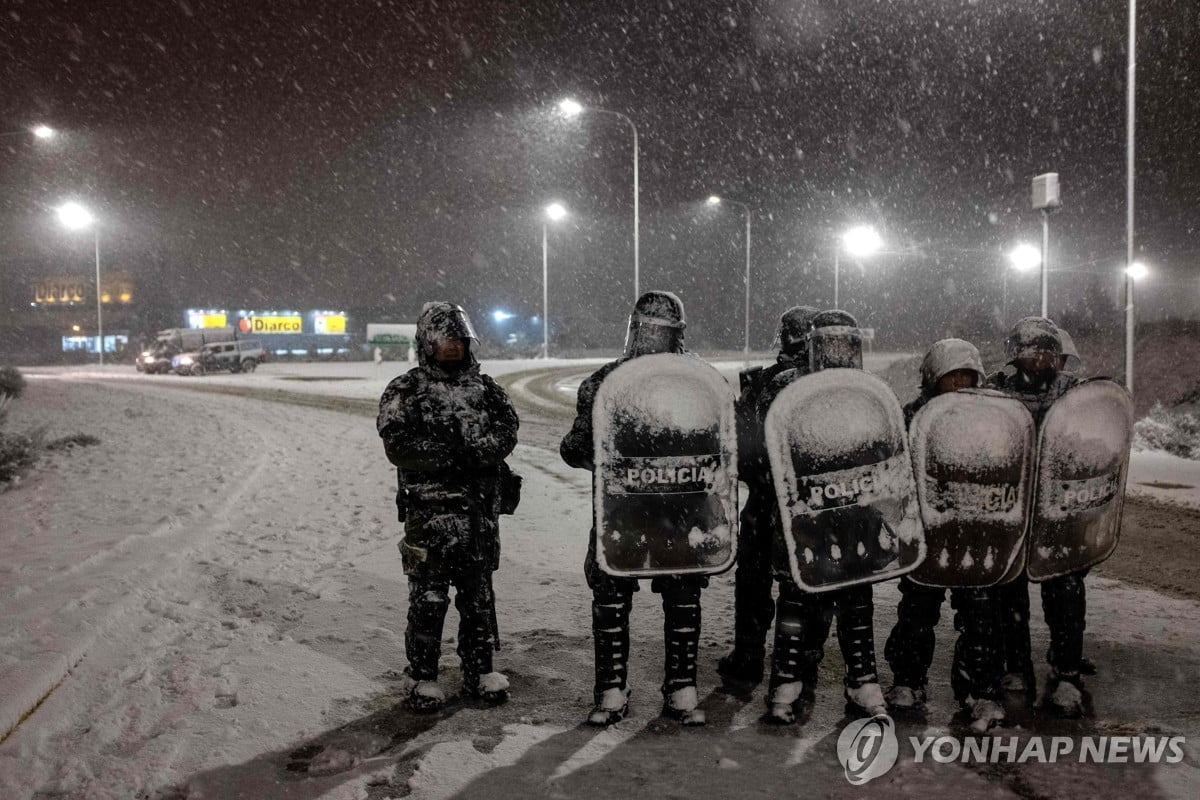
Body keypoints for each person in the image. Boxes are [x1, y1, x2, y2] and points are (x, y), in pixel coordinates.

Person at [560, 290, 709, 726]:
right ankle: (645, 688)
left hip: (650, 516)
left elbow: (577, 447)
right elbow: (578, 447)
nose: (651, 342)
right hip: (651, 515)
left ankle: (649, 688)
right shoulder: (697, 382)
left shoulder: (607, 380)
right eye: (649, 333)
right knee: (638, 600)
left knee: (650, 602)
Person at [376, 302, 519, 712]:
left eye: (458, 340)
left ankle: (480, 671)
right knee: (429, 599)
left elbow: (507, 431)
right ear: (427, 343)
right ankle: (422, 677)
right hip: (430, 515)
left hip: (477, 517)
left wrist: (478, 454)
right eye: (444, 340)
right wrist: (450, 458)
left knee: (478, 599)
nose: (452, 347)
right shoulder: (405, 389)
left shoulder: (487, 389)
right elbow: (398, 445)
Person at [761, 310, 888, 724]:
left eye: (844, 344)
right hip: (803, 513)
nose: (836, 353)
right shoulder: (786, 388)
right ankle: (785, 680)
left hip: (854, 512)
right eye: (828, 343)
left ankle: (863, 679)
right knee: (796, 599)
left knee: (857, 597)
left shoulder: (869, 392)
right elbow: (766, 448)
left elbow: (886, 449)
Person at [883, 338, 1005, 728]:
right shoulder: (914, 416)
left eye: (968, 375)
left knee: (981, 615)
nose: (961, 382)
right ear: (934, 378)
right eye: (953, 375)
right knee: (917, 611)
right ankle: (908, 680)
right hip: (928, 533)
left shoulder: (992, 417)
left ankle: (981, 690)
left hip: (974, 532)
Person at [988, 317, 1088, 715]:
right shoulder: (996, 390)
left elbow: (1093, 436)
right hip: (1011, 506)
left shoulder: (1076, 393)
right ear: (1016, 353)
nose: (1040, 357)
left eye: (1047, 350)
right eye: (1032, 349)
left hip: (1058, 509)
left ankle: (1067, 673)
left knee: (1064, 592)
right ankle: (1017, 668)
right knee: (1009, 591)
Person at [718, 305, 819, 687]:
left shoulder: (761, 384)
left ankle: (748, 655)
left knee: (754, 581)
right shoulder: (832, 385)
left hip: (764, 501)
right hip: (814, 505)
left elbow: (741, 453)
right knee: (809, 582)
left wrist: (763, 477)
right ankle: (803, 658)